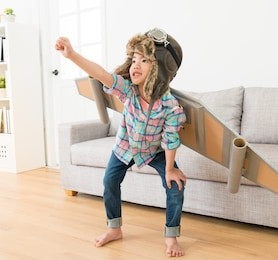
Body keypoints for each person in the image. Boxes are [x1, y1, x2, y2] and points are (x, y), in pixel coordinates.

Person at [55, 28, 187, 257]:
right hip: (125, 147)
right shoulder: (129, 91)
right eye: (134, 59)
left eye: (144, 60)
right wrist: (72, 55)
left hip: (153, 151)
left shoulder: (171, 106)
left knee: (175, 186)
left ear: (159, 68)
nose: (135, 65)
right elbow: (101, 74)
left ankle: (171, 236)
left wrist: (169, 169)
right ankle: (114, 228)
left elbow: (171, 139)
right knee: (109, 181)